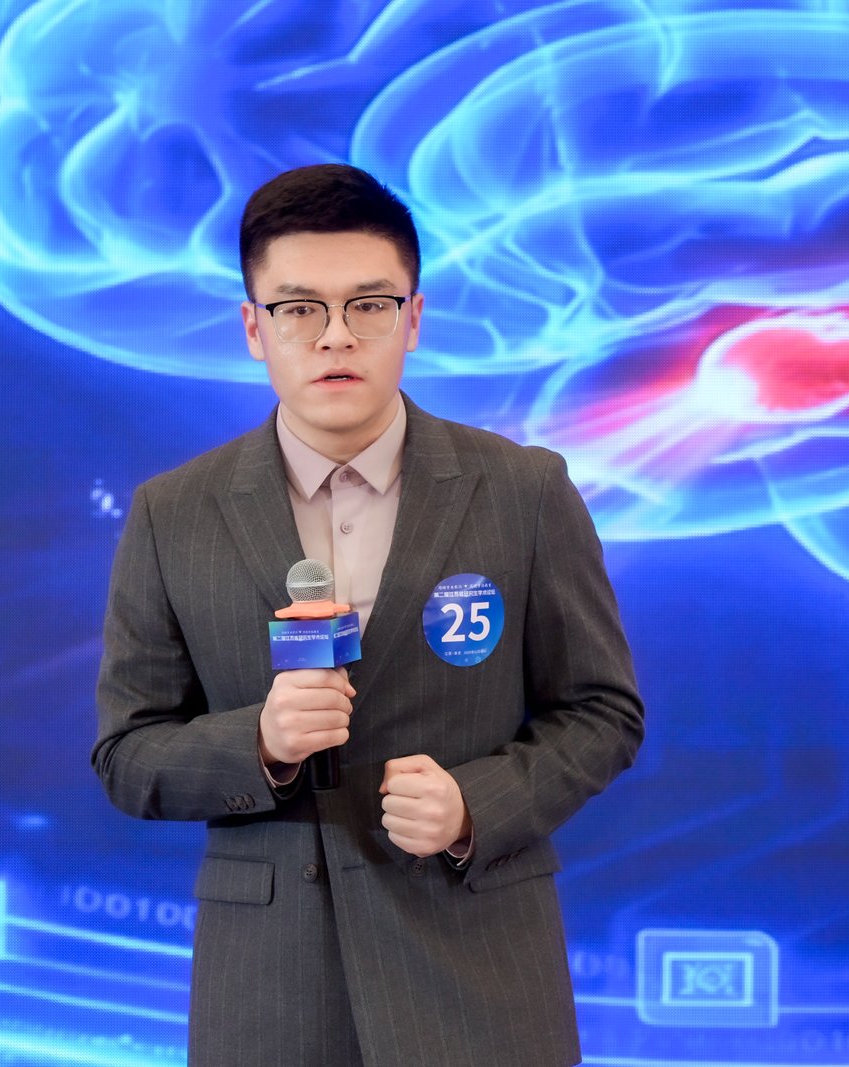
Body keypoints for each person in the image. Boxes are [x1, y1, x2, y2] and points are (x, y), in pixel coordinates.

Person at [92, 163, 644, 1067]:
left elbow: (602, 711)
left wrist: (473, 805)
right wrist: (261, 743)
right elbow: (127, 754)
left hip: (481, 981)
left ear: (414, 318)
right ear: (253, 327)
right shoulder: (173, 514)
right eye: (298, 308)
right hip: (271, 994)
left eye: (370, 304)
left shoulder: (525, 491)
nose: (336, 335)